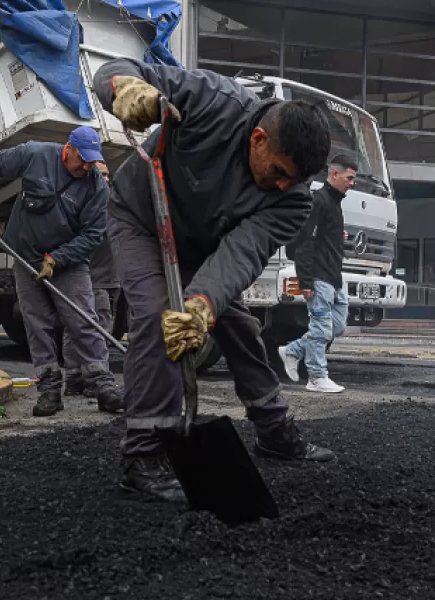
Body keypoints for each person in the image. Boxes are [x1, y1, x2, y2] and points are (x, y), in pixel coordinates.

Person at [93, 58, 336, 502]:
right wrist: (125, 87)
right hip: (141, 218)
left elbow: (241, 253)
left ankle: (274, 432)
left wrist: (203, 303)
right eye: (279, 172)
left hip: (202, 246)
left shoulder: (294, 201)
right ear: (259, 139)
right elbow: (120, 68)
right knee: (156, 320)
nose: (284, 187)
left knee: (240, 327)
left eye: (295, 181)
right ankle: (143, 456)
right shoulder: (212, 101)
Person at [0, 126, 124, 417]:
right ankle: (49, 392)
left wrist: (57, 259)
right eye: (82, 159)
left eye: (91, 160)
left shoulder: (97, 187)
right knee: (37, 325)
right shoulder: (36, 154)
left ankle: (103, 386)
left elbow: (93, 235)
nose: (86, 166)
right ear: (68, 149)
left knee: (84, 321)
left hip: (68, 264)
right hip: (26, 258)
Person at [278, 155, 357, 393]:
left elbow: (321, 237)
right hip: (319, 277)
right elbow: (303, 243)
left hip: (334, 277)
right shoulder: (319, 201)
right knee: (321, 329)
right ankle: (316, 377)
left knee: (337, 325)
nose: (353, 183)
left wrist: (336, 236)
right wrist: (306, 280)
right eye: (350, 178)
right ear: (334, 174)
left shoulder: (334, 203)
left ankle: (292, 350)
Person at [62, 161, 123, 398]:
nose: (106, 179)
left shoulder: (103, 199)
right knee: (95, 329)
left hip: (110, 278)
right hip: (94, 278)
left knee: (81, 327)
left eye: (108, 174)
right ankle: (90, 379)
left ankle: (76, 378)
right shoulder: (91, 202)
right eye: (102, 174)